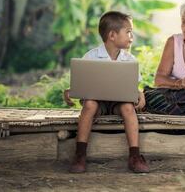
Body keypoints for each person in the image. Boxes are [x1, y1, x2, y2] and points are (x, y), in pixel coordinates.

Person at [63, 11, 149, 173]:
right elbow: (82, 84)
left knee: (128, 108)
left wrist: (139, 93)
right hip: (98, 104)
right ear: (112, 35)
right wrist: (70, 91)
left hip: (119, 103)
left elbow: (133, 87)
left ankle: (135, 156)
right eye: (128, 31)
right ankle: (80, 155)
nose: (132, 36)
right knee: (89, 104)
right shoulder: (91, 56)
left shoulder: (130, 60)